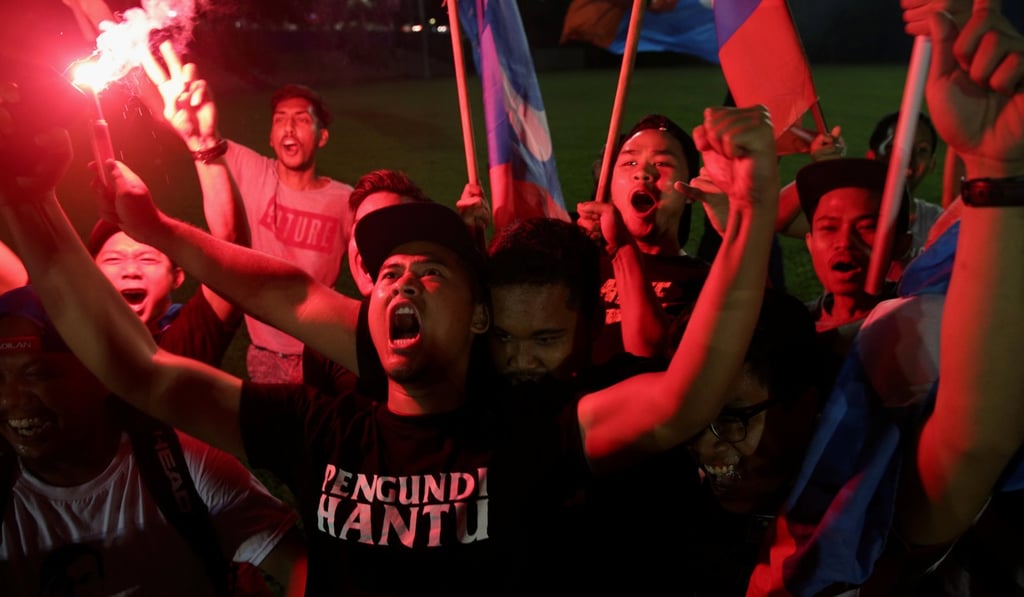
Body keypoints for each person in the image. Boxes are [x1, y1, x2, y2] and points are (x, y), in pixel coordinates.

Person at [0, 85, 781, 595]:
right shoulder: (319, 427)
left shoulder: (526, 430)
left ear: (478, 319)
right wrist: (36, 209)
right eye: (388, 272)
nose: (401, 282)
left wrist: (749, 216)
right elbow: (145, 369)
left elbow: (683, 399)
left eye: (432, 272)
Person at [747, 1, 1024, 594]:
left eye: (868, 225)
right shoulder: (787, 334)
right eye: (826, 227)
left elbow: (975, 435)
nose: (732, 442)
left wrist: (995, 167)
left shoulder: (894, 357)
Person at [0, 285, 305, 597]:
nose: (10, 399)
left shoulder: (177, 467)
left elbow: (300, 565)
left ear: (103, 375)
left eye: (36, 375)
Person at [143, 41, 353, 384]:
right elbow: (183, 127)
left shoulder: (344, 200)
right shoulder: (249, 169)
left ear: (322, 136)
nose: (288, 128)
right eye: (280, 120)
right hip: (265, 358)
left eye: (301, 120)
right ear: (270, 136)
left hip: (324, 353)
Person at [682, 287, 829, 596]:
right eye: (690, 412)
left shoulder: (839, 529)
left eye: (732, 417)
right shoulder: (663, 506)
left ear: (803, 407)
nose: (701, 443)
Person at [594, 113, 712, 362]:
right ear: (609, 185)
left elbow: (650, 355)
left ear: (691, 191)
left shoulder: (707, 282)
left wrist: (622, 248)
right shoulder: (582, 261)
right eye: (629, 163)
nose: (643, 173)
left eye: (661, 164)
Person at [796, 157, 911, 358]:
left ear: (901, 244)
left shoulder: (914, 323)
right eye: (829, 227)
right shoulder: (792, 329)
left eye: (867, 227)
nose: (844, 242)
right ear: (810, 242)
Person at [866, 110, 947, 262]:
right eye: (895, 147)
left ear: (932, 163)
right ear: (872, 156)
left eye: (922, 150)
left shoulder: (938, 223)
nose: (908, 159)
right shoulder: (850, 213)